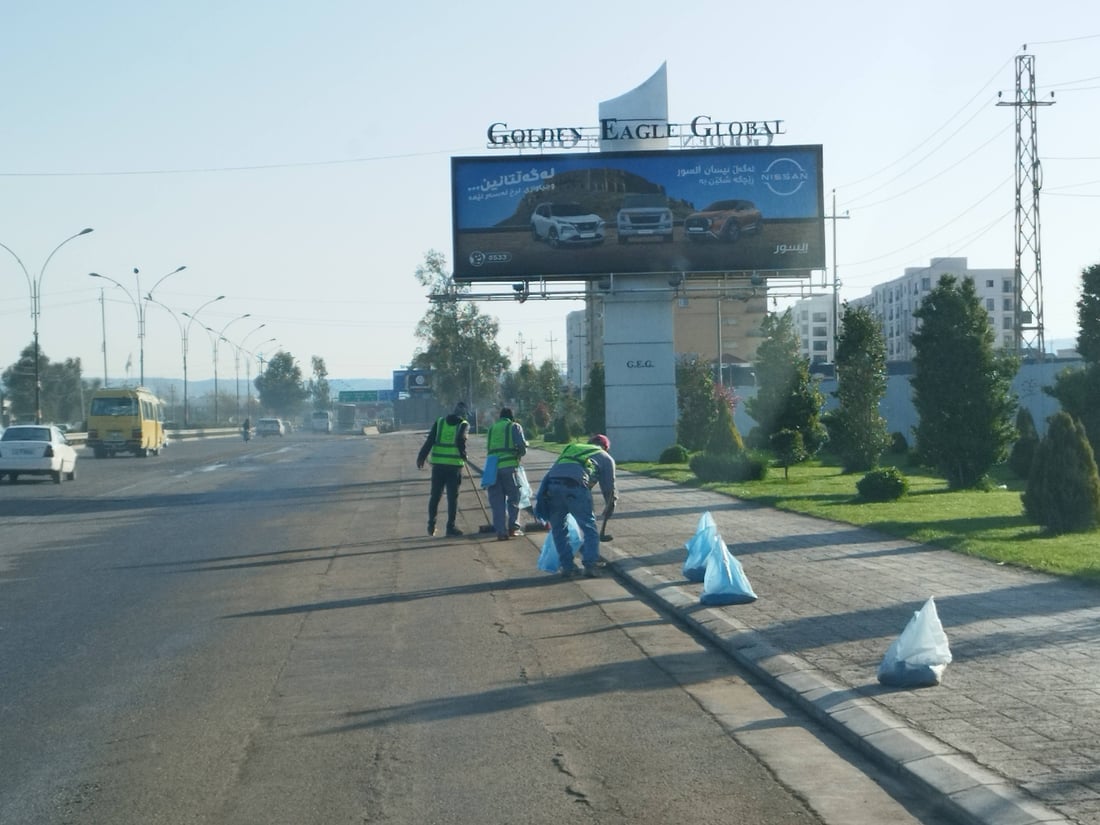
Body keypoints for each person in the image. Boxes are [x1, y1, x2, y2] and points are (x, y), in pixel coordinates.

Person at [538, 434, 617, 578]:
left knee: (559, 529)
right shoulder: (605, 457)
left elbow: (556, 469)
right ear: (606, 448)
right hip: (575, 487)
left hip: (552, 486)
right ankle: (590, 565)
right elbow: (609, 489)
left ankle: (568, 567)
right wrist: (610, 506)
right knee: (589, 527)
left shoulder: (572, 448)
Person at [416, 401, 470, 537]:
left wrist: (421, 457)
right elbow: (460, 440)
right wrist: (464, 455)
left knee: (435, 496)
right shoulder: (463, 424)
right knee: (452, 498)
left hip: (438, 466)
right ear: (463, 414)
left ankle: (431, 524)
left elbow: (430, 440)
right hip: (454, 467)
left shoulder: (440, 422)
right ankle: (450, 527)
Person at [485, 407, 527, 541]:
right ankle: (513, 528)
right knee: (514, 498)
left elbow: (489, 448)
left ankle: (500, 532)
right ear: (511, 417)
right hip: (509, 467)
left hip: (492, 469)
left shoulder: (492, 429)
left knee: (497, 501)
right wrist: (518, 455)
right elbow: (521, 447)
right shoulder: (514, 426)